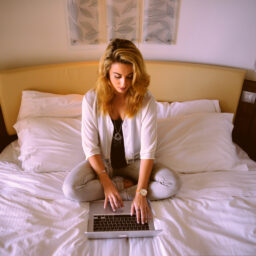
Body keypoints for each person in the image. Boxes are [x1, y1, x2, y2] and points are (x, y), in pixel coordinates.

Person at [62, 38, 180, 224]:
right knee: (71, 189)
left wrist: (141, 192)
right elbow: (90, 147)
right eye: (117, 76)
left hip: (136, 163)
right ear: (106, 73)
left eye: (130, 76)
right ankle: (120, 187)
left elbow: (149, 150)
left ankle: (126, 190)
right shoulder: (91, 99)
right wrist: (106, 182)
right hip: (103, 164)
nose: (124, 83)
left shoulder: (146, 100)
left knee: (171, 183)